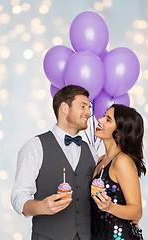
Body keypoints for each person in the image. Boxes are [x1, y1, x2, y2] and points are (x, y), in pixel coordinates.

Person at [11, 85, 99, 240]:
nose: (89, 112)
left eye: (89, 107)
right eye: (83, 106)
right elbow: (19, 196)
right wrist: (42, 206)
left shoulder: (91, 151)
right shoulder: (34, 147)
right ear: (64, 108)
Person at [91, 104, 146, 240]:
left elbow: (136, 211)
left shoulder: (122, 161)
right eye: (104, 116)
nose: (100, 120)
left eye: (108, 119)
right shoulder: (101, 160)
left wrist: (109, 207)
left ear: (120, 133)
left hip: (118, 236)